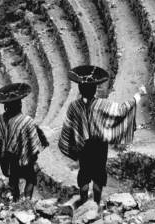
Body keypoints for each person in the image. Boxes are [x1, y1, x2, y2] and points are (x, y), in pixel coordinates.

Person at [58, 65, 146, 205]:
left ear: (80, 89)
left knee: (84, 173)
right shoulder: (103, 104)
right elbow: (122, 110)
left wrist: (75, 144)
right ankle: (96, 204)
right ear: (94, 89)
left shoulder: (74, 106)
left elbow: (69, 127)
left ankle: (84, 202)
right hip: (99, 146)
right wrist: (138, 95)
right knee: (99, 174)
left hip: (83, 147)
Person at [0, 83, 48, 201]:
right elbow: (35, 141)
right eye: (20, 102)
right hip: (22, 157)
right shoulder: (26, 121)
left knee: (13, 179)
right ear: (19, 105)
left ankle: (16, 200)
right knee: (31, 178)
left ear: (5, 106)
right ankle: (27, 201)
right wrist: (32, 154)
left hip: (7, 159)